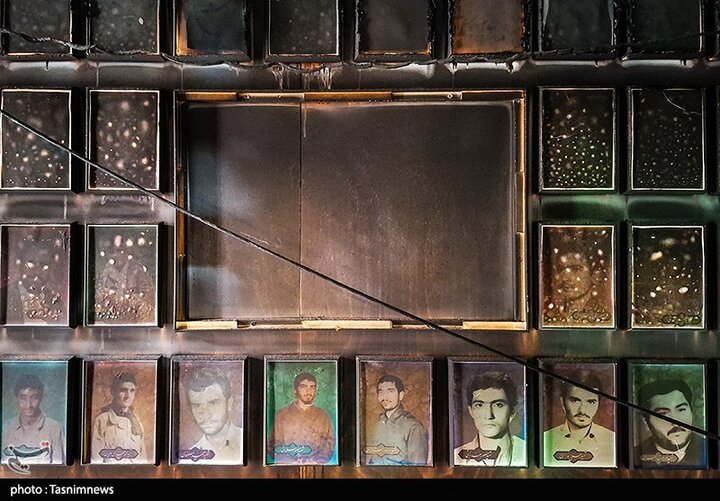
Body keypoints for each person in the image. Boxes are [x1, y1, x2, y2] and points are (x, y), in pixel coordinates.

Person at [454, 372, 526, 467]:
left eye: (498, 405)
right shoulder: (456, 457)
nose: (488, 415)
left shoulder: (525, 451)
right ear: (471, 411)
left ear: (512, 411)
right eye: (479, 405)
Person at [543, 372, 615, 467]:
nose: (582, 410)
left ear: (598, 404)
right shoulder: (545, 440)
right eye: (575, 401)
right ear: (562, 402)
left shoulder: (612, 441)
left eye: (591, 402)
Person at [633, 379, 705, 467]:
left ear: (691, 412)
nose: (676, 422)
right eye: (663, 414)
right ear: (645, 421)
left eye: (681, 410)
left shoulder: (708, 449)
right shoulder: (635, 457)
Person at [267, 372, 335, 464]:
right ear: (295, 390)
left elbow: (329, 444)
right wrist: (288, 461)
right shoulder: (282, 415)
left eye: (312, 387)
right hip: (286, 467)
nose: (308, 391)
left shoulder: (323, 416)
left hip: (316, 467)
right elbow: (272, 444)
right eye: (303, 387)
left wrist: (316, 461)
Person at [181, 367, 242, 463]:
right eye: (197, 405)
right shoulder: (188, 461)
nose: (205, 414)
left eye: (213, 403)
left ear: (229, 403)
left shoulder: (251, 443)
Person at [365, 375, 429, 466]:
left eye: (390, 391)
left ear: (401, 395)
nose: (385, 397)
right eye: (381, 392)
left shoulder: (413, 426)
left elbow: (418, 467)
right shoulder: (377, 423)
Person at [2, 374, 65, 464]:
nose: (29, 405)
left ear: (41, 398)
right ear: (16, 398)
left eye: (34, 398)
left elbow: (59, 469)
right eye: (23, 398)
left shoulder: (55, 428)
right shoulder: (7, 428)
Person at [91, 372, 147, 463]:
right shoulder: (102, 420)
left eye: (132, 390)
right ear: (113, 392)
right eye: (123, 390)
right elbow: (95, 461)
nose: (128, 396)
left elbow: (143, 462)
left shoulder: (137, 423)